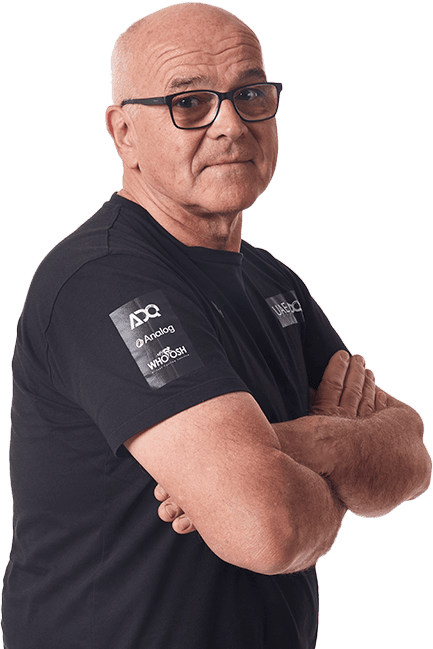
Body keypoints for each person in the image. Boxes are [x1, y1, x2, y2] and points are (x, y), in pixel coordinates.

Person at [2, 3, 431, 648]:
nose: (230, 125)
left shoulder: (271, 281)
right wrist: (329, 470)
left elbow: (411, 457)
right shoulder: (102, 281)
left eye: (250, 94)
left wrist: (304, 446)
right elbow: (271, 530)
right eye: (189, 103)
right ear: (123, 132)